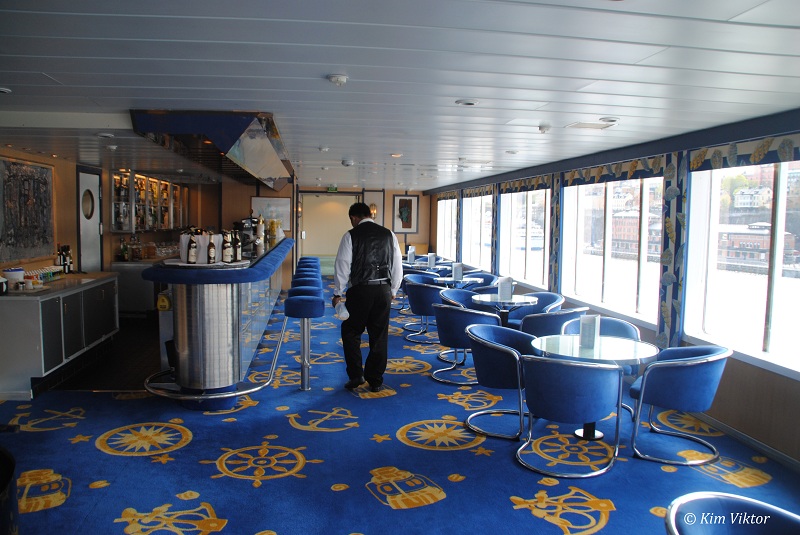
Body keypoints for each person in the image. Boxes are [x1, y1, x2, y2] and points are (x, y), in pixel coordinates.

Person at [332, 202, 403, 392]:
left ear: (353, 218)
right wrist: (393, 290)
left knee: (351, 331)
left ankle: (356, 375)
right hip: (383, 290)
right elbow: (397, 264)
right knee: (379, 335)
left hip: (360, 290)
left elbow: (342, 265)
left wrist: (338, 293)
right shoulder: (389, 234)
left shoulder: (350, 235)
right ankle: (375, 380)